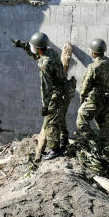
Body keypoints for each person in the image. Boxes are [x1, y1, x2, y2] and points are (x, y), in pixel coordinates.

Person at [12, 32, 75, 162]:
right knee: (60, 116)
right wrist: (22, 45)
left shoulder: (44, 64)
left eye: (34, 46)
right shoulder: (50, 52)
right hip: (67, 90)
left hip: (57, 94)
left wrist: (45, 105)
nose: (33, 48)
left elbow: (45, 87)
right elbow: (36, 55)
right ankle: (64, 141)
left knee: (51, 122)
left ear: (39, 49)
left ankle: (55, 150)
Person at [76, 38, 109, 139]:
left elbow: (86, 84)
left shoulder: (93, 66)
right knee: (104, 124)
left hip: (96, 99)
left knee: (81, 119)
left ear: (93, 52)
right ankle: (105, 147)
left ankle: (93, 142)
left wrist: (82, 96)